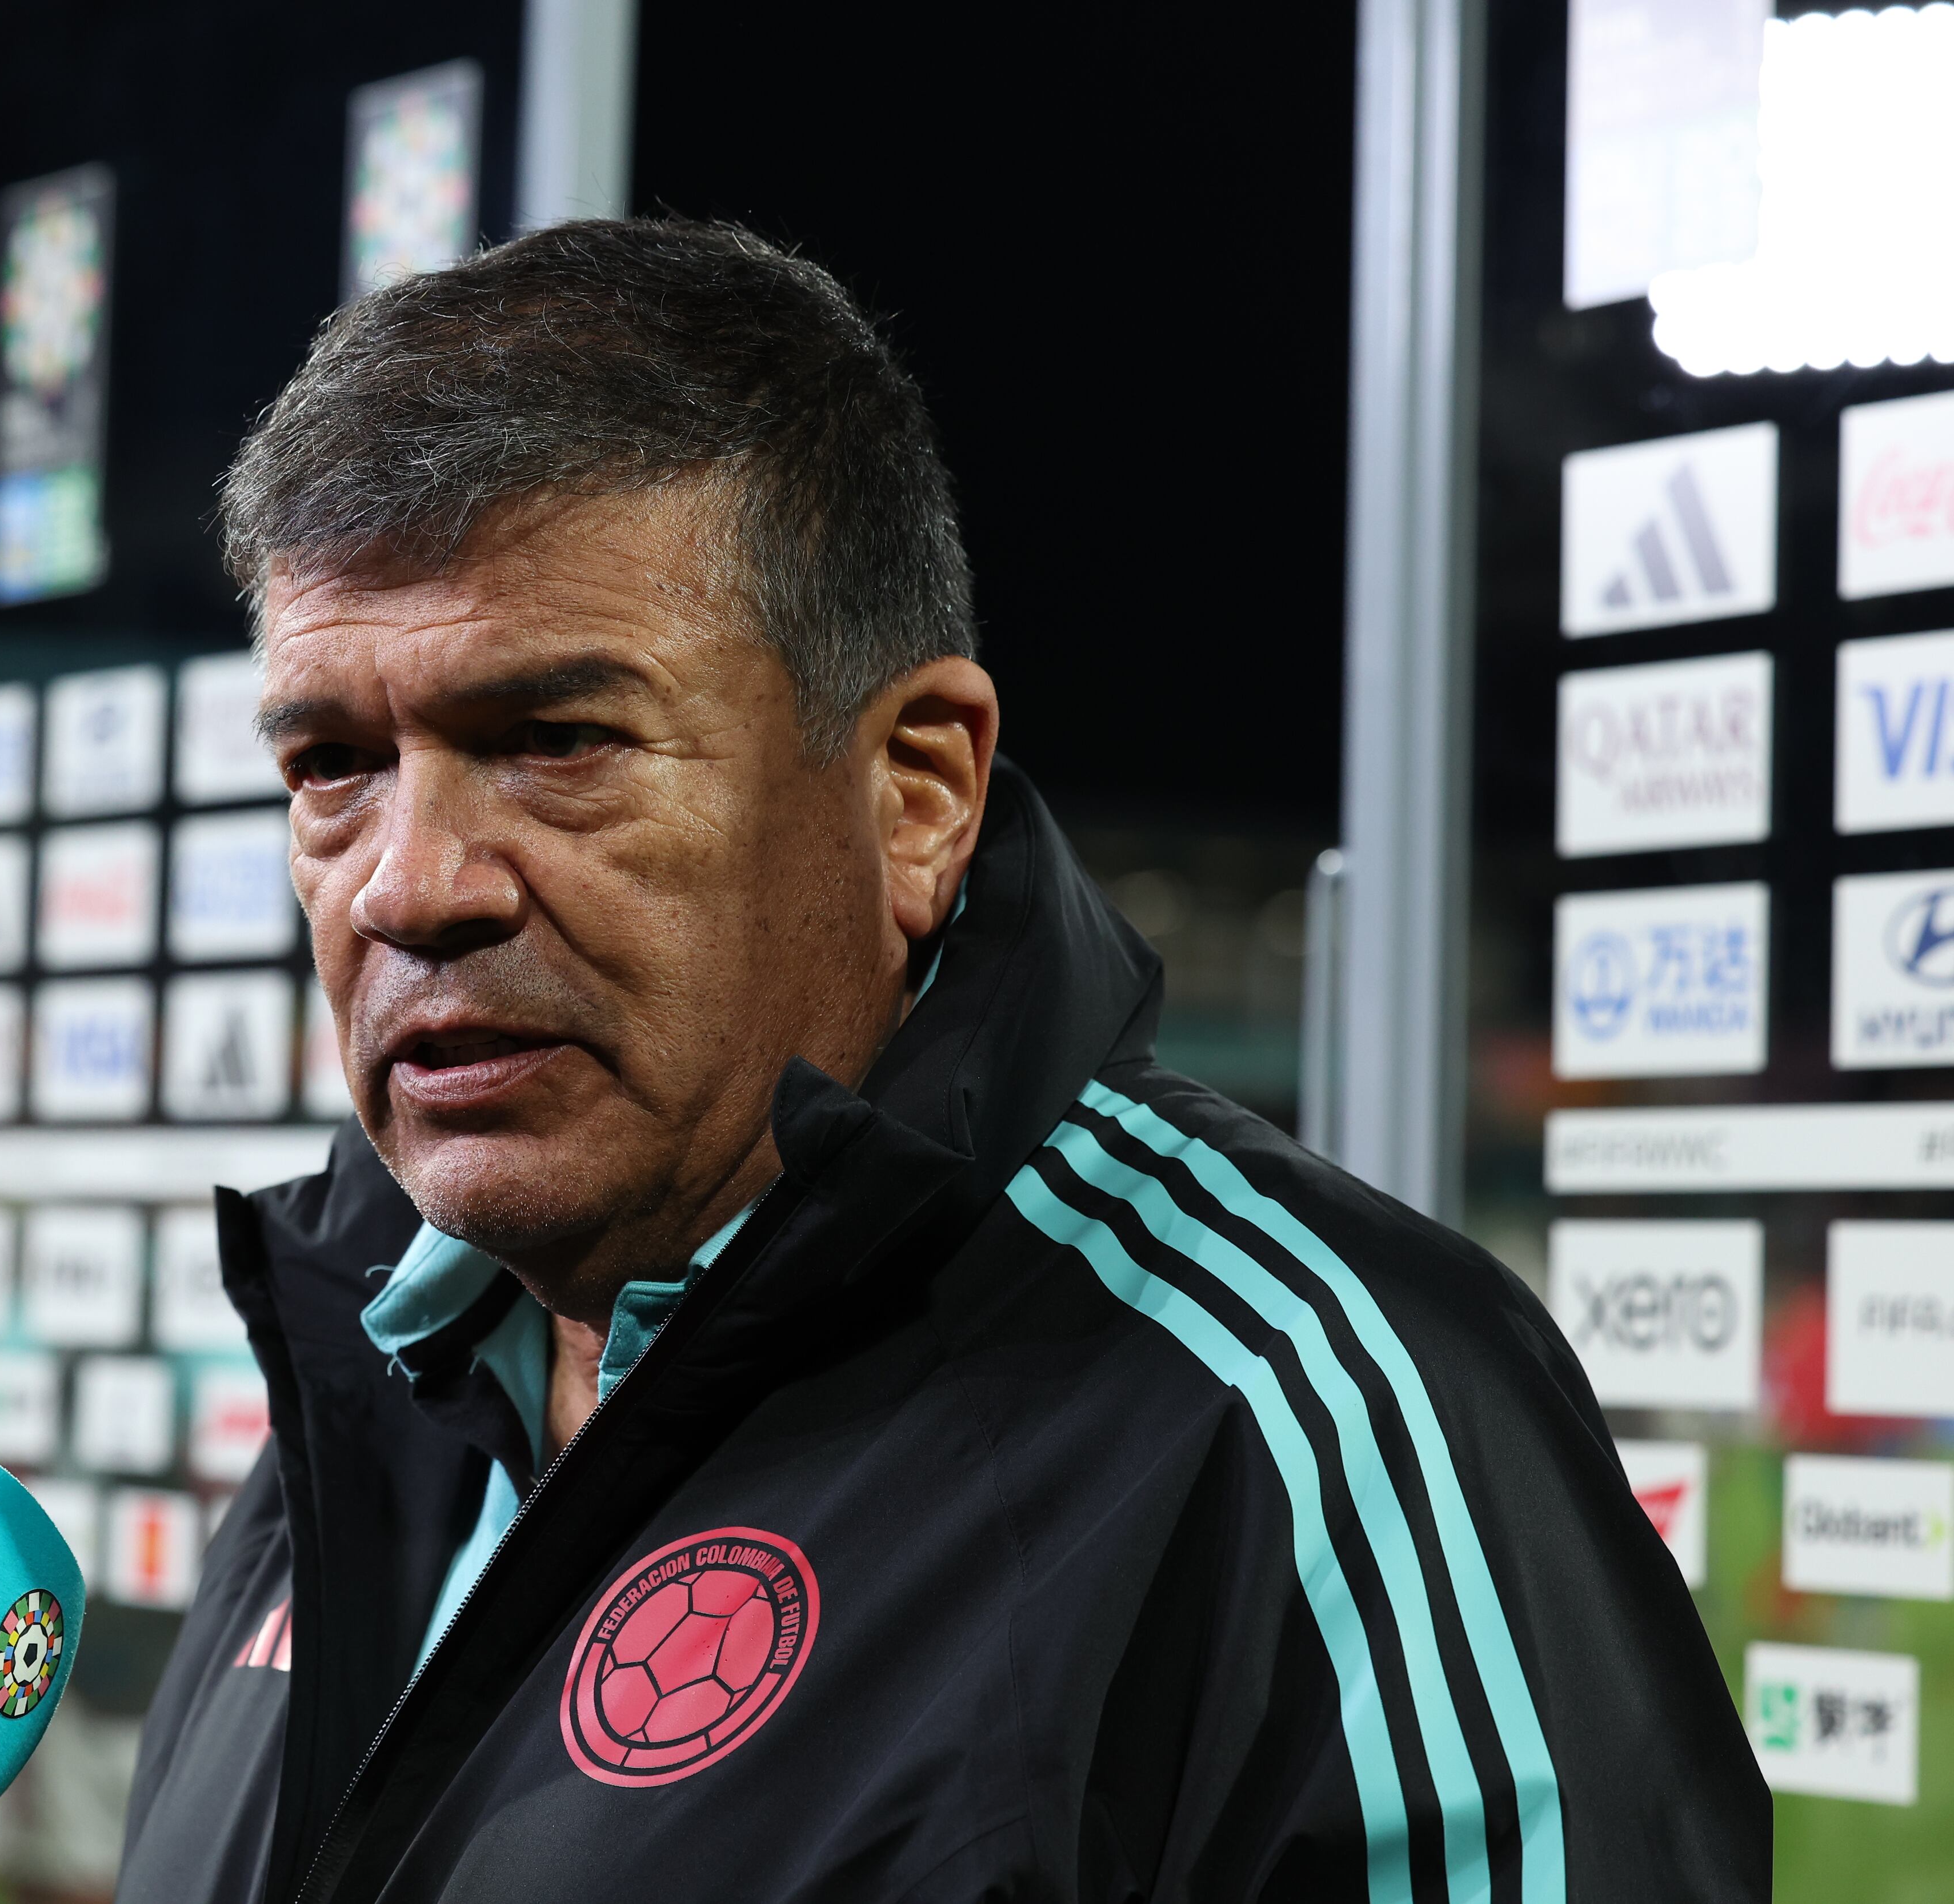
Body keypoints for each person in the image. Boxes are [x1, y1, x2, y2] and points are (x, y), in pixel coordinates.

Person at [113, 218, 1764, 1904]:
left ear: (916, 798)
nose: (407, 883)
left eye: (555, 741)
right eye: (334, 765)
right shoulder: (366, 1375)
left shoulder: (1297, 1425)